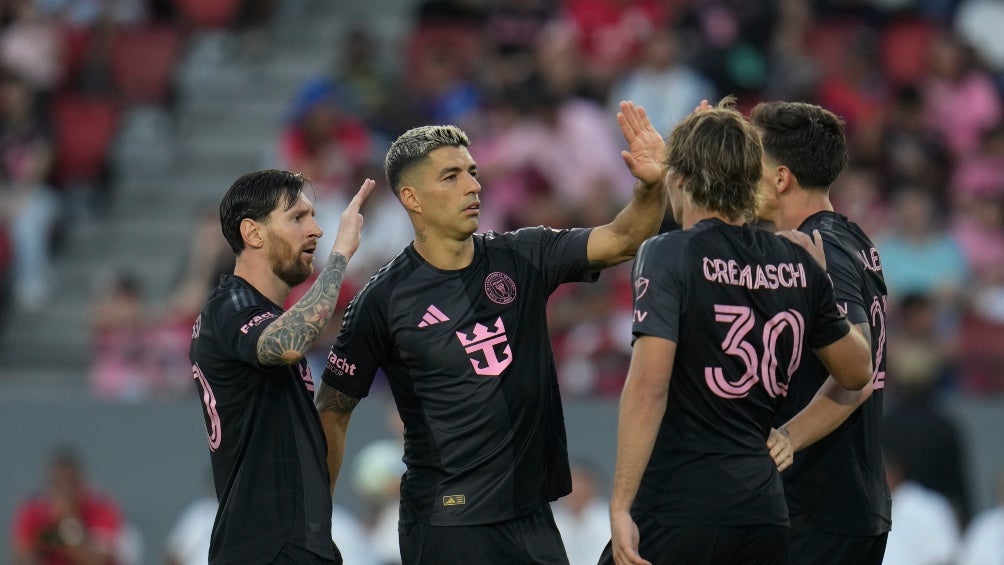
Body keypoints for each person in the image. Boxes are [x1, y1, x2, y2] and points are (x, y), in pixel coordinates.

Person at [315, 100, 668, 565]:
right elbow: (333, 410)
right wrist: (315, 522)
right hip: (447, 523)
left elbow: (624, 238)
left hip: (531, 515)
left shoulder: (523, 254)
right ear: (412, 199)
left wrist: (650, 186)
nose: (473, 186)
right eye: (451, 176)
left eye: (473, 172)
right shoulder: (383, 300)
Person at [601, 98, 874, 565]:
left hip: (681, 500)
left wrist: (621, 504)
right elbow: (857, 371)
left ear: (680, 179)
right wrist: (821, 287)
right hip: (764, 511)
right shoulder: (797, 261)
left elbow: (648, 388)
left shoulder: (668, 253)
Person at [188, 169, 373, 565]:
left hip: (293, 542)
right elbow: (287, 344)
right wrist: (340, 257)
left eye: (313, 217)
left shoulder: (258, 318)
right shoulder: (230, 305)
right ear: (253, 233)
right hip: (264, 546)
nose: (317, 231)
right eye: (297, 217)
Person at [751, 100, 893, 563]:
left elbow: (858, 370)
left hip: (818, 507)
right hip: (849, 502)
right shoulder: (851, 237)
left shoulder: (819, 247)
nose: (742, 174)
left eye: (753, 162)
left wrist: (787, 437)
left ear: (780, 178)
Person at [10, 446, 123, 565]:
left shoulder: (100, 508)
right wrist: (43, 539)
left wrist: (68, 520)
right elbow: (20, 559)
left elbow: (96, 561)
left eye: (70, 482)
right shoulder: (34, 509)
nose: (64, 491)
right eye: (58, 483)